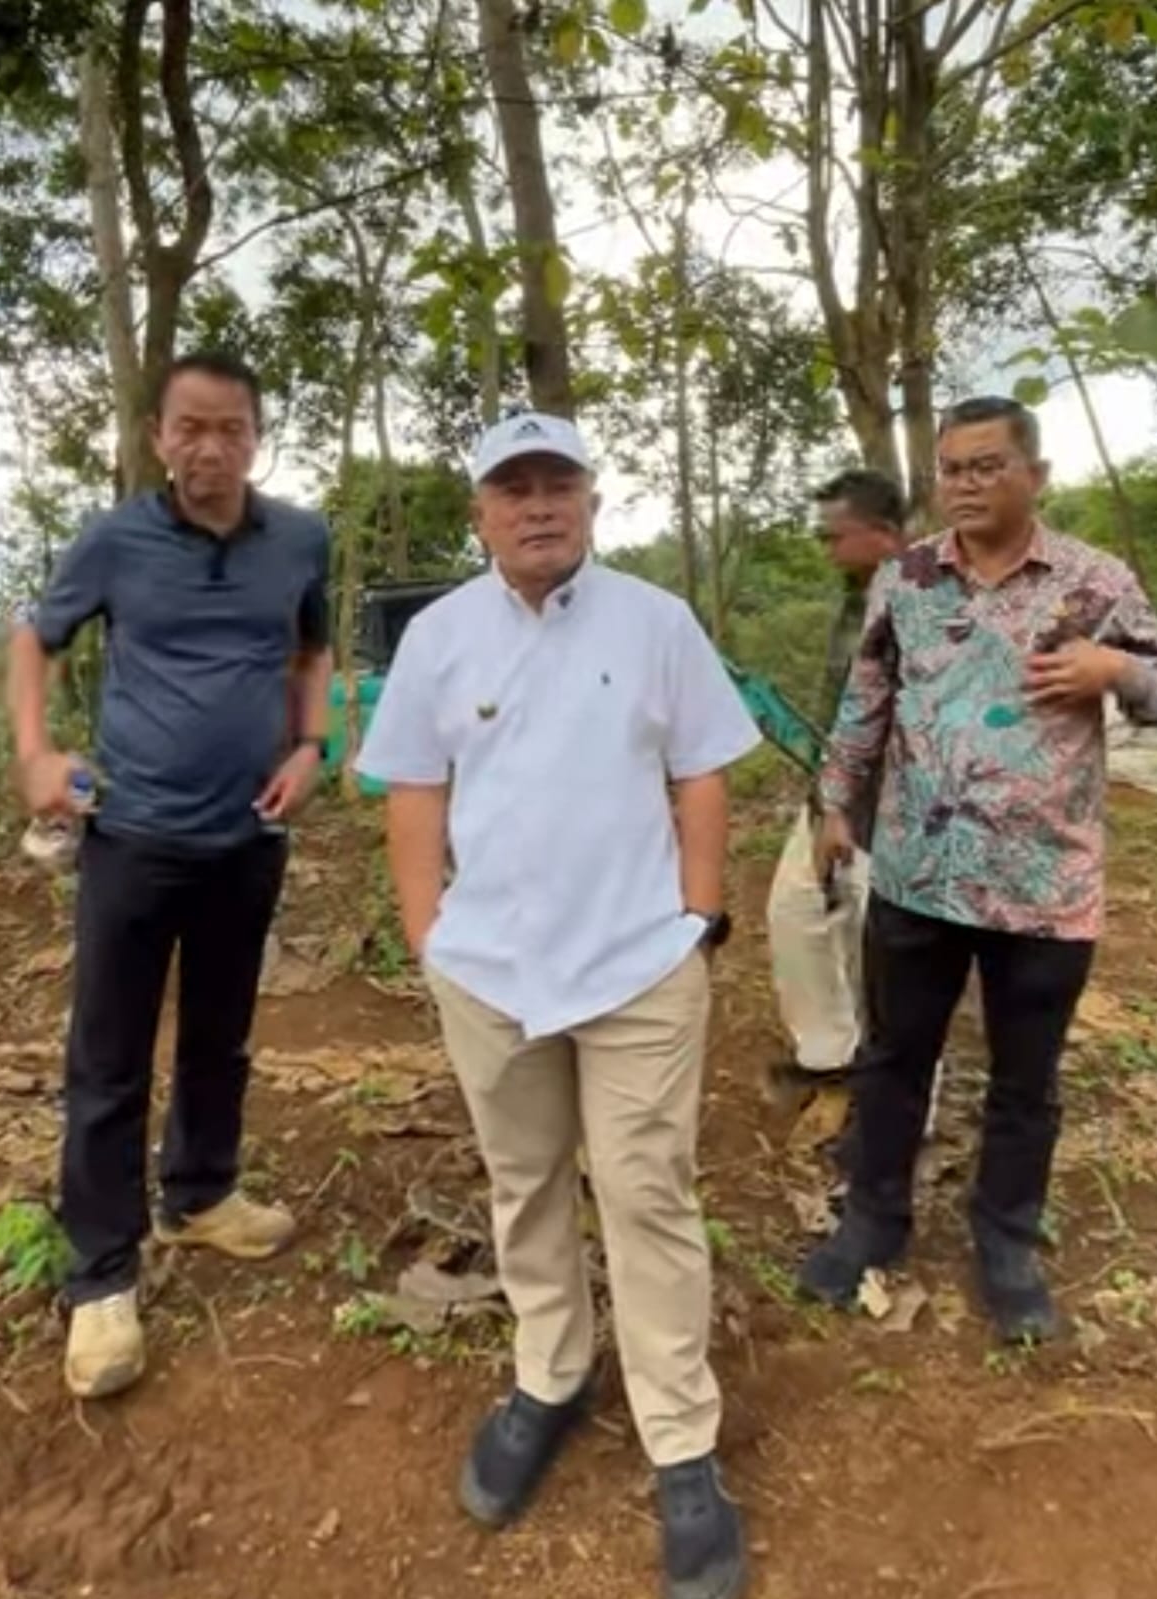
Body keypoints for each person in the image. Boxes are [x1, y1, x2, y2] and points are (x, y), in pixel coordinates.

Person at [356, 412, 760, 1599]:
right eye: (511, 487)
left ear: (590, 501)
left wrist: (694, 917)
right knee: (523, 1182)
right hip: (489, 974)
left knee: (645, 1192)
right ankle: (551, 1373)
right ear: (478, 511)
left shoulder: (656, 624)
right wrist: (432, 938)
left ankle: (679, 1441)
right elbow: (412, 791)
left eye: (558, 485)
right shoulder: (437, 637)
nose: (536, 506)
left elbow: (700, 771)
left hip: (637, 963)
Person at [798, 396, 1157, 1342]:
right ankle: (874, 1220)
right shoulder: (907, 579)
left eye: (988, 466)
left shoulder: (1094, 582)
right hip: (918, 875)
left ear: (1036, 476)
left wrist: (1114, 671)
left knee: (1027, 1078)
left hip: (1044, 885)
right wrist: (836, 804)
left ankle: (1007, 1241)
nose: (967, 484)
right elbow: (868, 701)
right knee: (895, 1058)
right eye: (953, 468)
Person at [7, 350, 332, 1399]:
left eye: (229, 427)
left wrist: (308, 745)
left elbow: (310, 649)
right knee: (106, 1061)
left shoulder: (299, 538)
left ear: (256, 435)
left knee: (220, 1035)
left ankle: (199, 1194)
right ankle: (101, 1277)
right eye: (189, 427)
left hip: (248, 837)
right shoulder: (114, 541)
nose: (209, 447)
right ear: (158, 437)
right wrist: (36, 754)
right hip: (133, 839)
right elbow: (35, 637)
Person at [767, 472, 940, 1123]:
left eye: (834, 536)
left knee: (895, 954)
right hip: (835, 792)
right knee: (797, 911)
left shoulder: (930, 601)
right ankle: (829, 1053)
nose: (825, 549)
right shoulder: (856, 597)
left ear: (885, 534)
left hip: (903, 811)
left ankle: (906, 1108)